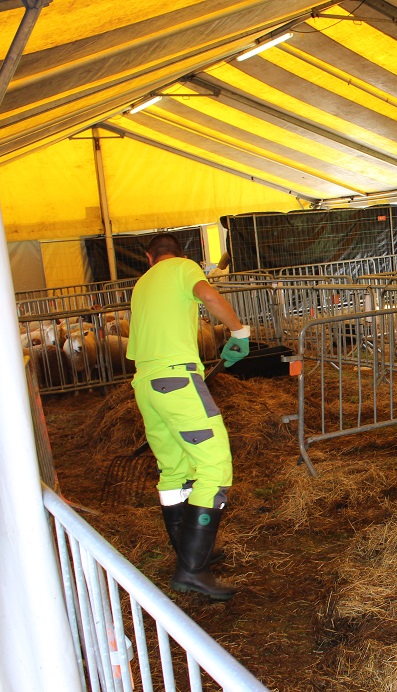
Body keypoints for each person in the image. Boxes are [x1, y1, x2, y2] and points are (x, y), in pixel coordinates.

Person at [127, 233, 250, 601]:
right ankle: (192, 569)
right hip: (176, 381)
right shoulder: (183, 268)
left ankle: (190, 552)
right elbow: (208, 296)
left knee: (174, 470)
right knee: (215, 466)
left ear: (149, 257)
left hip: (145, 385)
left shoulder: (142, 284)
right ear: (179, 254)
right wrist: (239, 331)